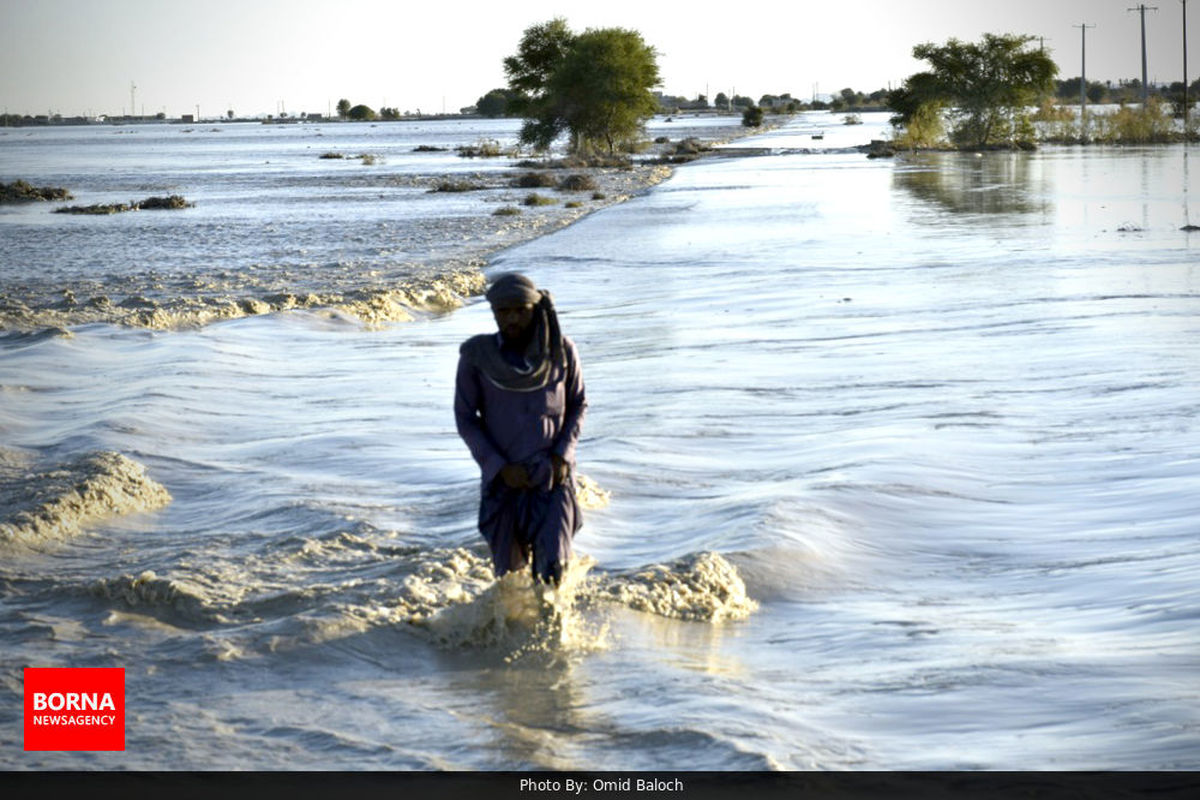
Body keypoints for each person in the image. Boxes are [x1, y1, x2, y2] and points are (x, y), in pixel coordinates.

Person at [454, 272, 586, 586]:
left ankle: (556, 631)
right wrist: (498, 467)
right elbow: (465, 417)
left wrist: (562, 456)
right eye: (504, 311)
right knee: (509, 579)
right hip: (504, 483)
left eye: (520, 310)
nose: (512, 318)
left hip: (552, 479)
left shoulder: (561, 352)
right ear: (494, 313)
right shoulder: (478, 356)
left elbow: (578, 404)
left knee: (553, 572)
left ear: (535, 309)